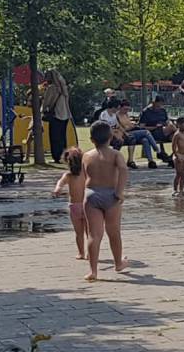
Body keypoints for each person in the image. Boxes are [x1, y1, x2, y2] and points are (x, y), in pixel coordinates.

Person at [82, 121, 129, 282]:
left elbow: (84, 176)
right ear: (110, 137)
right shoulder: (116, 154)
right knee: (114, 232)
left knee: (93, 234)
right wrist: (120, 191)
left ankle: (93, 270)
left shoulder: (87, 155)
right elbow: (123, 169)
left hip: (91, 194)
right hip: (111, 195)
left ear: (91, 139)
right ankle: (118, 263)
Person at [53, 148, 87, 259]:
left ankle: (81, 252)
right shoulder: (86, 173)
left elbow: (60, 182)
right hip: (88, 205)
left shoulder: (68, 175)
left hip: (74, 206)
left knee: (79, 233)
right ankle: (90, 253)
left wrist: (58, 189)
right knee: (89, 232)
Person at [116, 100, 163, 168]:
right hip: (125, 134)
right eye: (125, 109)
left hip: (132, 131)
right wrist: (129, 127)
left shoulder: (126, 114)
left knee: (145, 140)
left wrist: (133, 125)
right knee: (146, 132)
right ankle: (157, 150)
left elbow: (128, 125)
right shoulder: (117, 115)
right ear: (120, 107)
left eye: (128, 109)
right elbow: (121, 128)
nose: (126, 111)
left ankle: (151, 161)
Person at [139, 96, 177, 162]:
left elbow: (167, 122)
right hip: (153, 133)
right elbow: (142, 127)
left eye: (161, 105)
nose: (159, 108)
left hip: (164, 132)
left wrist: (166, 125)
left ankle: (172, 156)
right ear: (153, 103)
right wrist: (155, 127)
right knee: (173, 128)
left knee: (176, 137)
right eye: (157, 106)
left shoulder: (162, 110)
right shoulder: (146, 112)